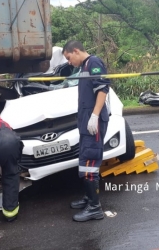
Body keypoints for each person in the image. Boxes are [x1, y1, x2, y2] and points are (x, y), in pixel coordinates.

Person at [62, 40, 111, 222]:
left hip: (93, 123)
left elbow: (102, 89)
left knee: (89, 163)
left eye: (69, 57)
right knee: (84, 161)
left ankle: (95, 208)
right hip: (85, 123)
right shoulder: (84, 66)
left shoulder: (94, 63)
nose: (69, 62)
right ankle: (89, 198)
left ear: (76, 51)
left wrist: (95, 116)